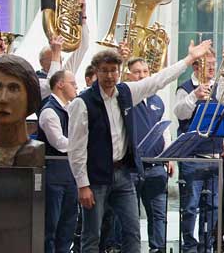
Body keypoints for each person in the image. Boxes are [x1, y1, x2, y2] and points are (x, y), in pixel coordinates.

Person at [69, 39, 212, 253]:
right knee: (92, 234)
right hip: (96, 177)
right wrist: (82, 185)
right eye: (104, 71)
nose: (109, 76)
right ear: (96, 72)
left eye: (113, 71)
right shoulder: (82, 103)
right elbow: (76, 149)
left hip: (124, 174)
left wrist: (189, 59)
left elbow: (158, 81)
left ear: (119, 72)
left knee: (132, 231)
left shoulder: (126, 92)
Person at [174, 46, 223, 253]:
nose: (212, 68)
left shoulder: (219, 88)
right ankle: (189, 247)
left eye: (214, 64)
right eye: (207, 65)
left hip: (214, 154)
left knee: (213, 207)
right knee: (191, 206)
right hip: (193, 156)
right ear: (195, 66)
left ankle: (207, 246)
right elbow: (180, 113)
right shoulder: (185, 88)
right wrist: (194, 95)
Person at [126, 57, 172, 253]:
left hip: (156, 168)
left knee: (158, 215)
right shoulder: (126, 99)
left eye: (145, 72)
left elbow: (164, 129)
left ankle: (158, 249)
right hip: (132, 169)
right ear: (129, 75)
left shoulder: (157, 100)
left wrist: (169, 155)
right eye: (137, 72)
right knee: (129, 216)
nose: (142, 75)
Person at [38, 69, 79, 253]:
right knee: (51, 227)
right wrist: (83, 144)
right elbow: (60, 143)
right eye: (73, 83)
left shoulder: (70, 108)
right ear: (60, 84)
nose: (76, 87)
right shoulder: (49, 112)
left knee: (68, 225)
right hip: (54, 174)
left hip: (71, 174)